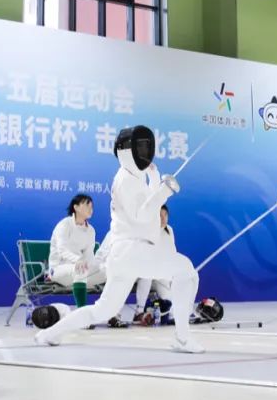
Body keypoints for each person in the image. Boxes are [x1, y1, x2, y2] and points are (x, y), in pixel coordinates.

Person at [35, 126, 204, 353]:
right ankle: (182, 338)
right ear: (127, 151)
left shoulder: (134, 178)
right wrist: (164, 191)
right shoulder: (125, 180)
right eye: (140, 147)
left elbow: (148, 203)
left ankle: (48, 334)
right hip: (133, 250)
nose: (145, 152)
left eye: (146, 147)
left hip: (125, 255)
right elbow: (141, 215)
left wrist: (155, 178)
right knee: (185, 270)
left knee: (102, 310)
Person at [47, 194, 105, 307]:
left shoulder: (91, 230)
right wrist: (78, 260)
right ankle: (81, 312)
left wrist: (95, 266)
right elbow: (62, 250)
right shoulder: (64, 225)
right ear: (76, 207)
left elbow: (89, 256)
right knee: (80, 270)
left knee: (108, 271)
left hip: (80, 271)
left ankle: (111, 313)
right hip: (58, 269)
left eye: (92, 206)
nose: (90, 209)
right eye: (87, 205)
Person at [132, 204, 172, 322]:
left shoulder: (169, 231)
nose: (163, 218)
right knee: (147, 275)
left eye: (165, 215)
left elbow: (172, 253)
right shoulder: (145, 231)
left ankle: (169, 313)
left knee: (168, 296)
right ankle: (139, 311)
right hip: (142, 271)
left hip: (159, 272)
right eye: (160, 215)